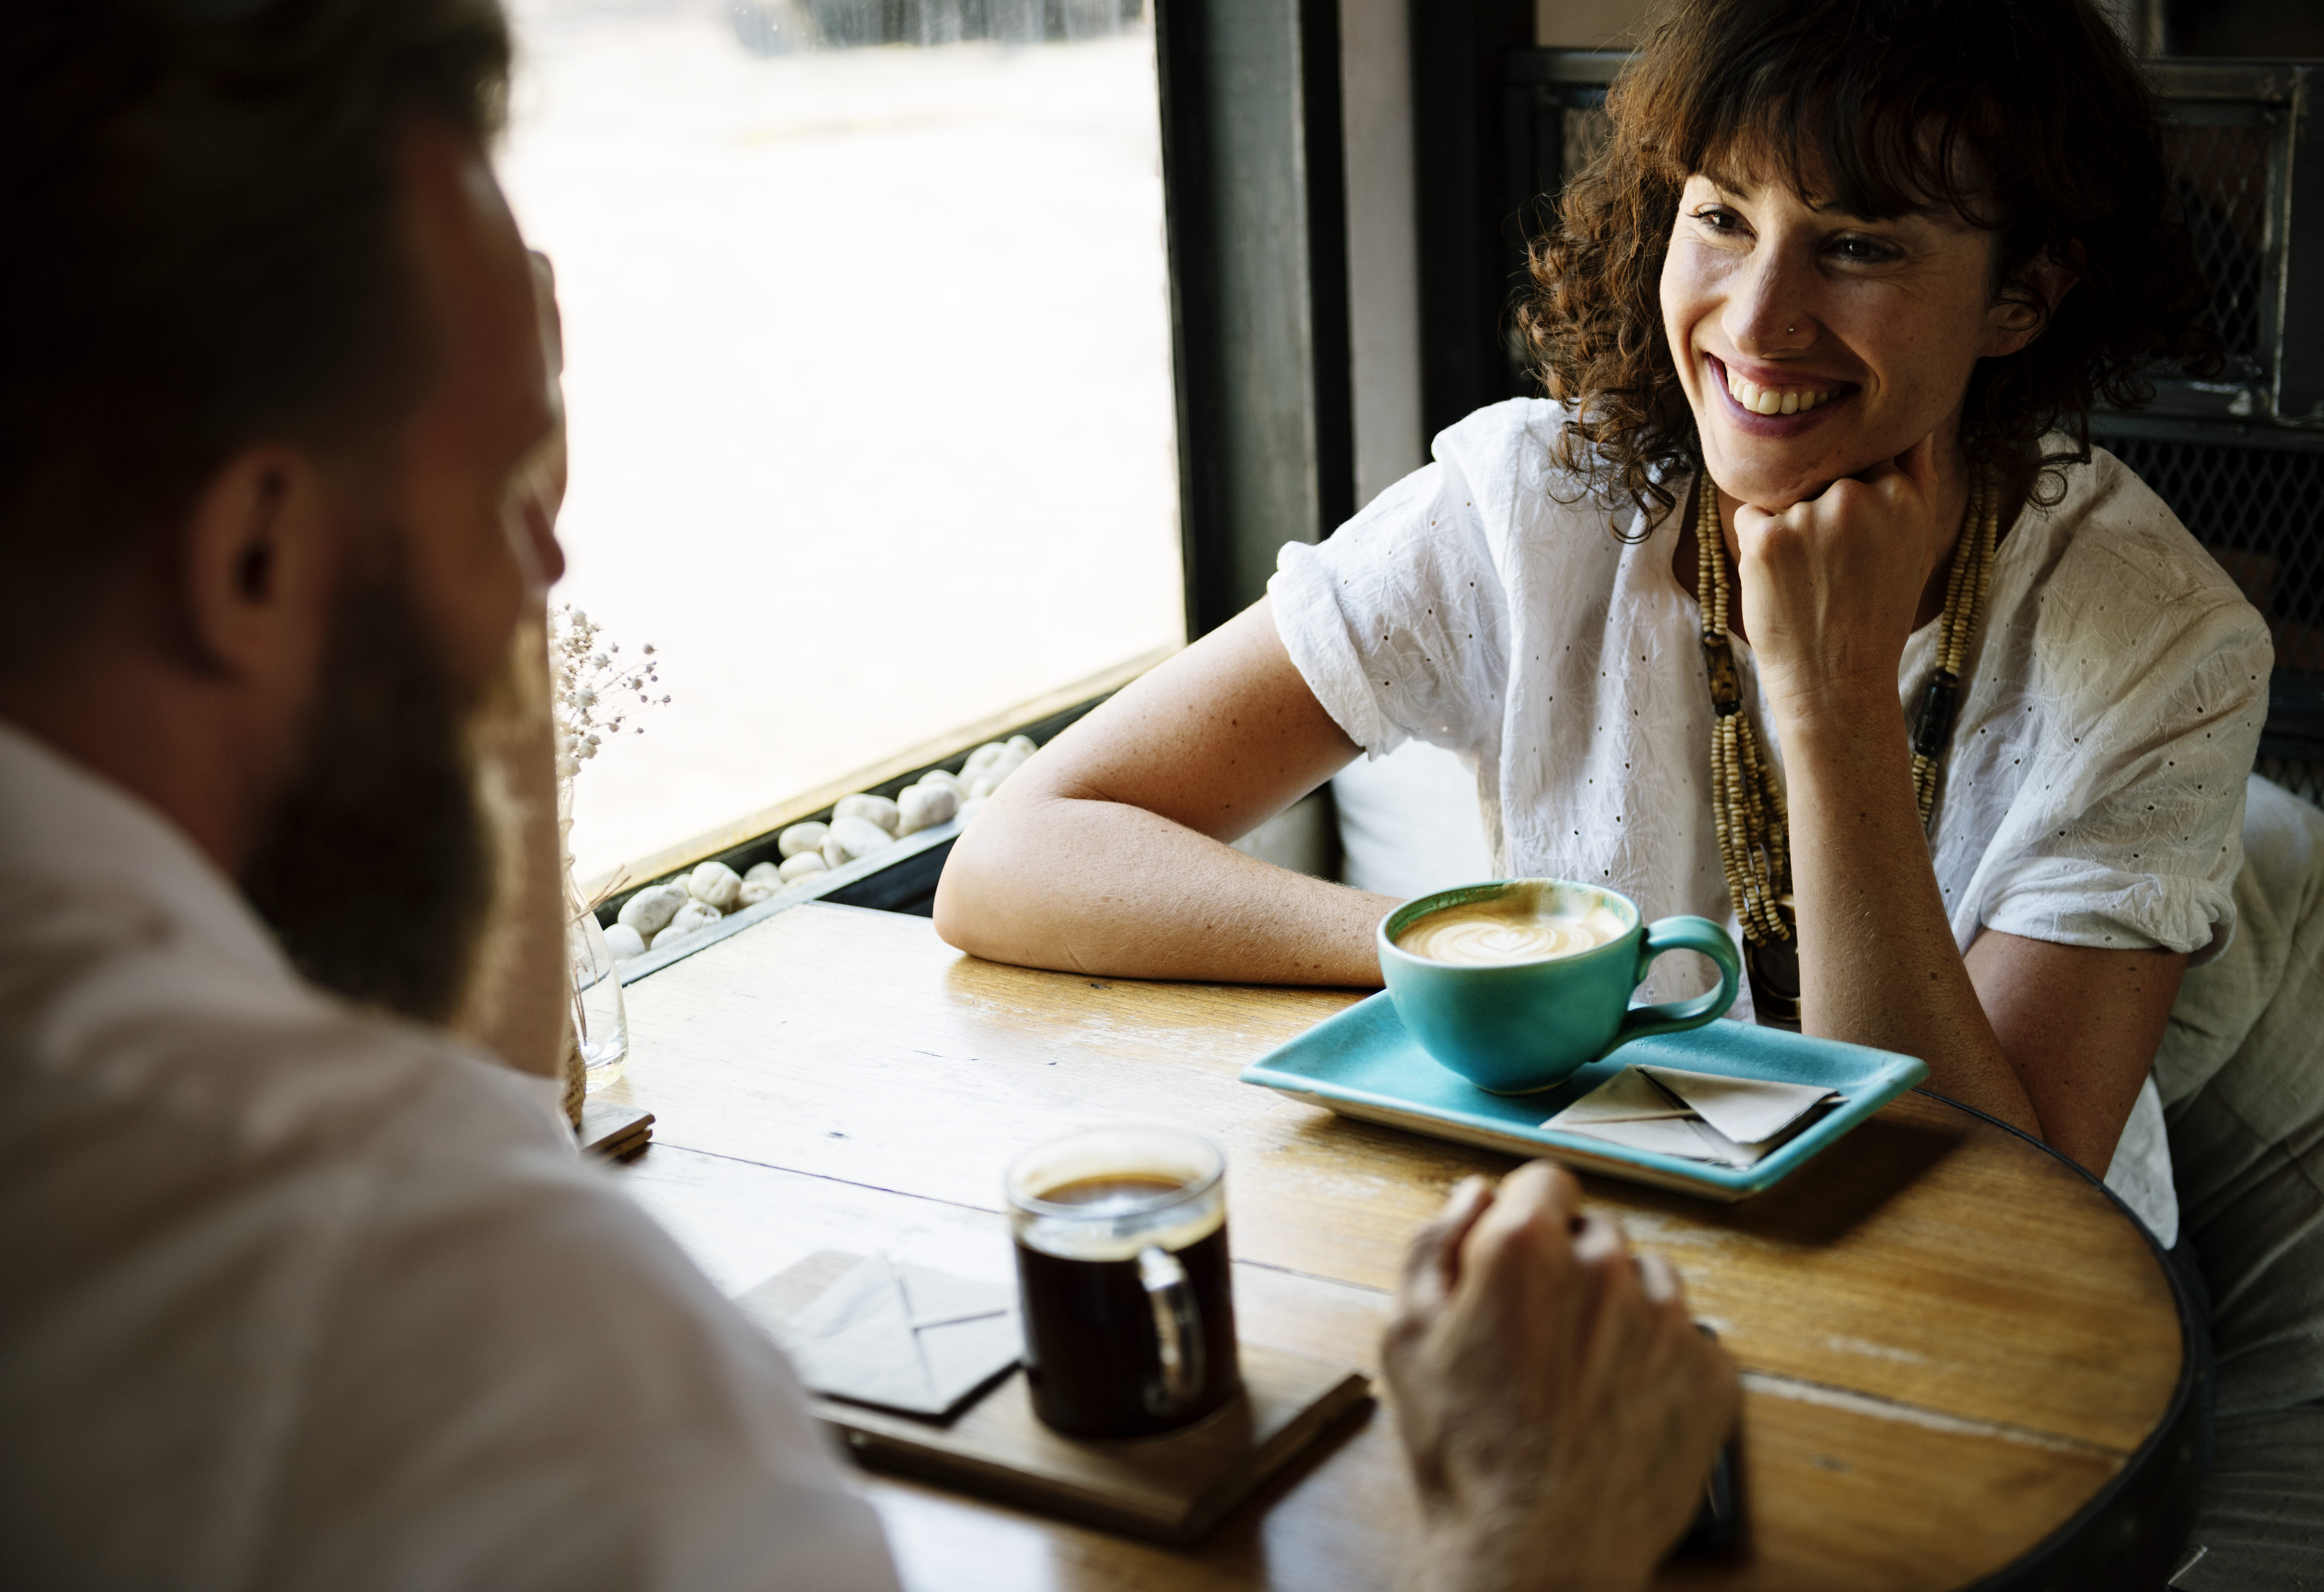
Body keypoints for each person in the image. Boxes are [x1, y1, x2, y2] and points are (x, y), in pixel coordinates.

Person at [0, 1, 1736, 1587]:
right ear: (250, 558)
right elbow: (444, 1151)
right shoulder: (475, 1319)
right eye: (509, 504)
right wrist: (1526, 1540)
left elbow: (458, 1097)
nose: (549, 586)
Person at [936, 0, 2271, 1255]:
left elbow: (1992, 1212)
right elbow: (1013, 860)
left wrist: (1834, 702)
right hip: (1610, 1244)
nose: (1757, 320)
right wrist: (1488, 968)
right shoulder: (1535, 507)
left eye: (1860, 244)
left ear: (2020, 297)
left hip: (2027, 1332)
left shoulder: (2166, 642)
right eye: (1723, 217)